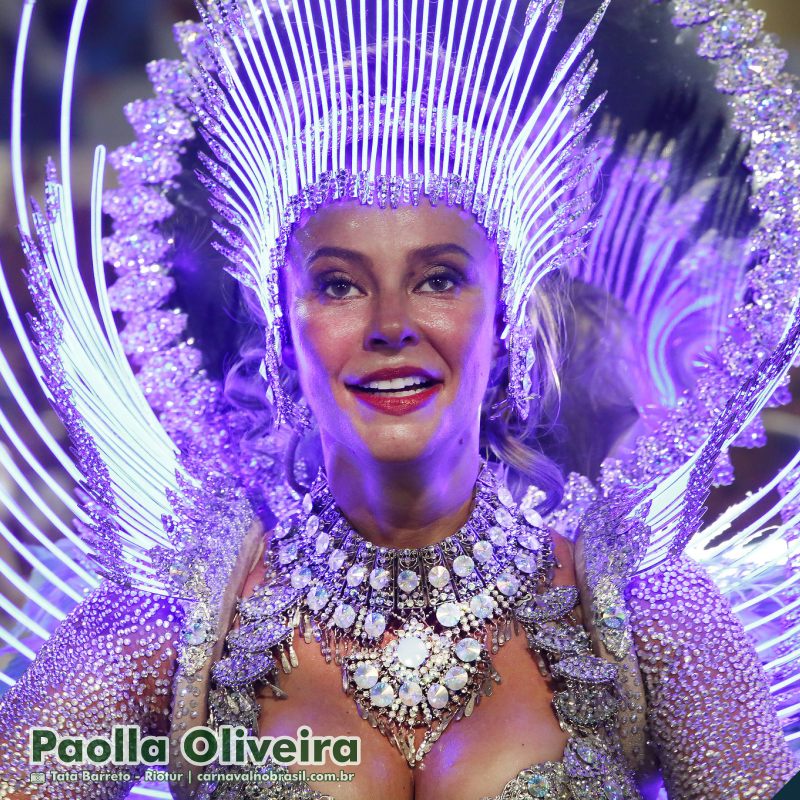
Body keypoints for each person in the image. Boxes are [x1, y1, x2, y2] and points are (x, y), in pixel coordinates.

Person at [0, 1, 798, 799]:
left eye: (440, 279)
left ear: (505, 319)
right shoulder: (174, 622)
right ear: (284, 332)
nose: (390, 326)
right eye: (339, 284)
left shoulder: (645, 614)